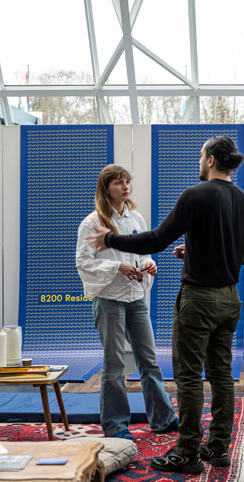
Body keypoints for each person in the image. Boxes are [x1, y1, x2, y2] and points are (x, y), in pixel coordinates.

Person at [90, 136, 244, 474]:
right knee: (221, 374)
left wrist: (110, 239)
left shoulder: (195, 195)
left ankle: (187, 453)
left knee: (189, 376)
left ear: (211, 159)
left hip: (199, 299)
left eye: (201, 155)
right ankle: (218, 448)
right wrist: (193, 251)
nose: (199, 161)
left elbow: (156, 240)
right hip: (229, 297)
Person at [76, 164, 178, 440]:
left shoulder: (136, 219)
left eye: (128, 182)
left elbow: (143, 254)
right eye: (119, 183)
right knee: (114, 364)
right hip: (109, 299)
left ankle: (162, 418)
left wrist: (149, 264)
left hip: (136, 298)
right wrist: (117, 267)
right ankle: (116, 425)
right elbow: (83, 263)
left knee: (149, 361)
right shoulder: (92, 223)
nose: (126, 187)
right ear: (106, 188)